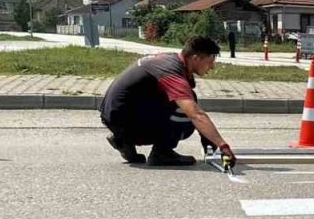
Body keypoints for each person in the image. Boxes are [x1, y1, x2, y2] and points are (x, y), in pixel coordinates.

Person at [100, 36, 237, 167]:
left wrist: (207, 139)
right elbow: (196, 114)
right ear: (195, 58)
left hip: (113, 115)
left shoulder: (171, 60)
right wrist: (223, 146)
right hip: (123, 119)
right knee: (186, 112)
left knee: (186, 98)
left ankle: (123, 141)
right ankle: (161, 153)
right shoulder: (171, 73)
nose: (212, 66)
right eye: (210, 60)